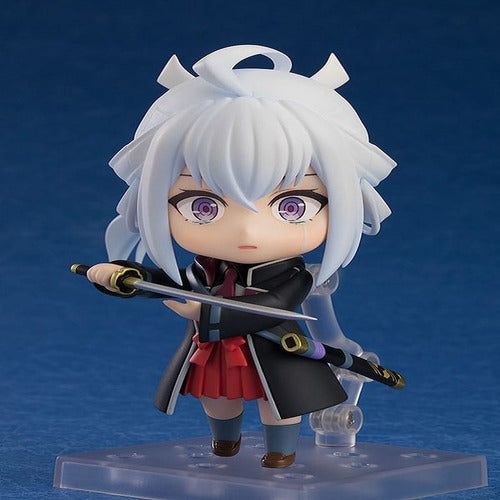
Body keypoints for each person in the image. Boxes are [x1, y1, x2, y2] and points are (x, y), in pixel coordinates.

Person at [86, 45, 396, 468]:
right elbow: (167, 283)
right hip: (214, 347)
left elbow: (274, 304)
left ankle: (281, 451)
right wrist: (121, 276)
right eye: (203, 206)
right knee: (217, 396)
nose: (248, 231)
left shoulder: (294, 275)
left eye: (292, 206)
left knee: (278, 400)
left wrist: (204, 311)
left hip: (279, 349)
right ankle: (224, 443)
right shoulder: (205, 269)